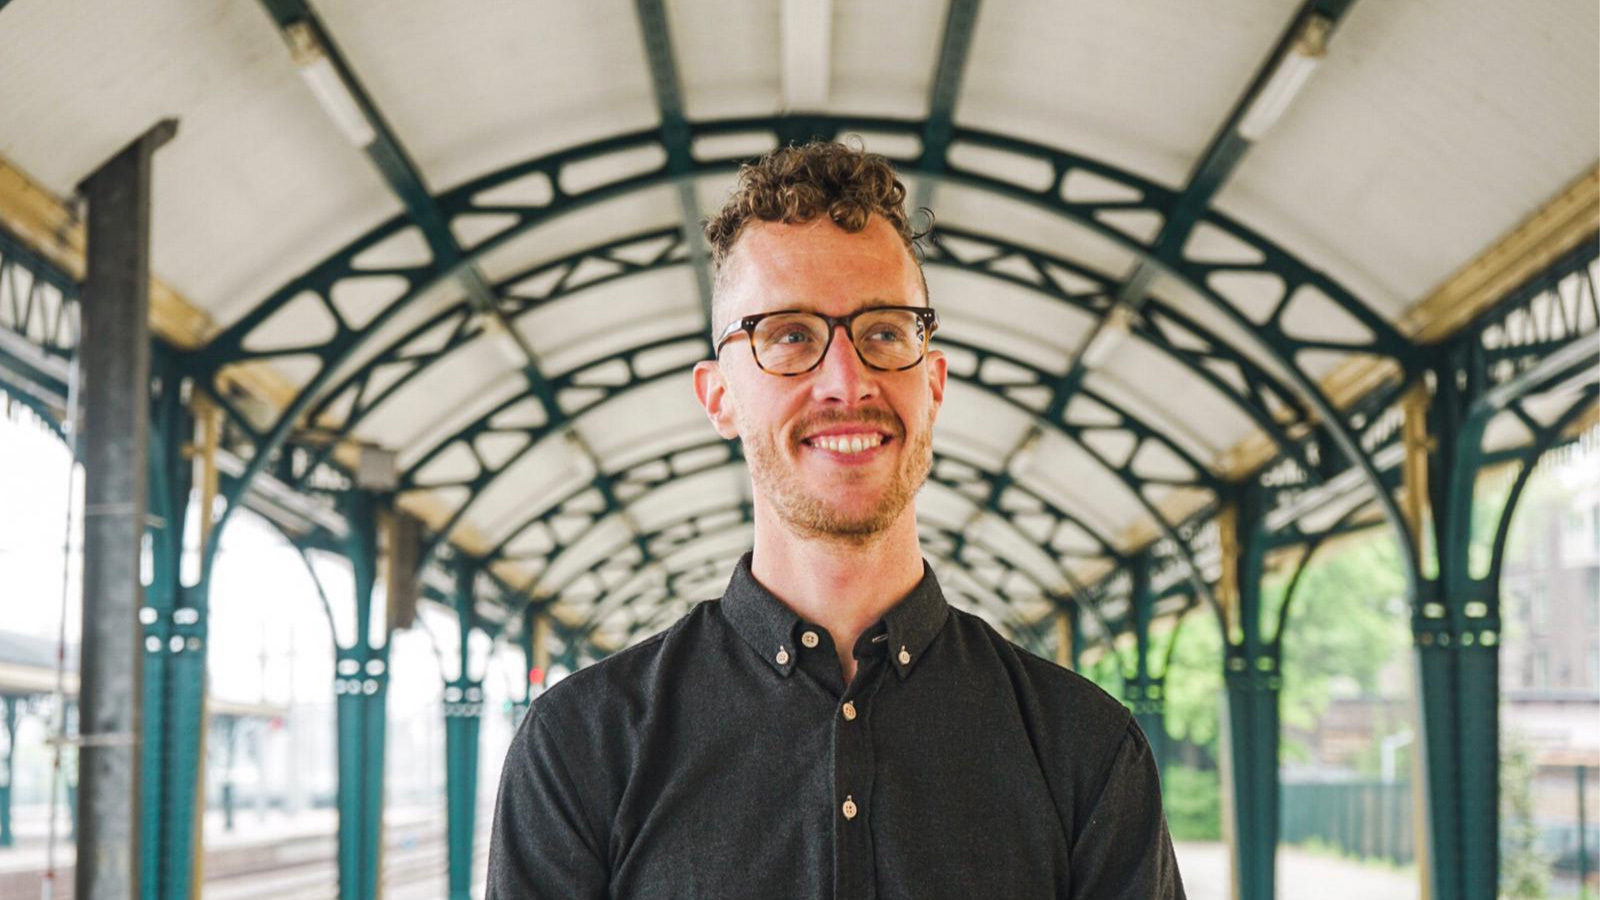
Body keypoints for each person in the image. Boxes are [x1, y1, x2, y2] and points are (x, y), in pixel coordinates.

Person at [487, 141, 1186, 899]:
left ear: (935, 380)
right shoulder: (580, 748)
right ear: (718, 395)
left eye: (885, 331)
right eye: (789, 336)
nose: (846, 380)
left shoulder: (1086, 749)